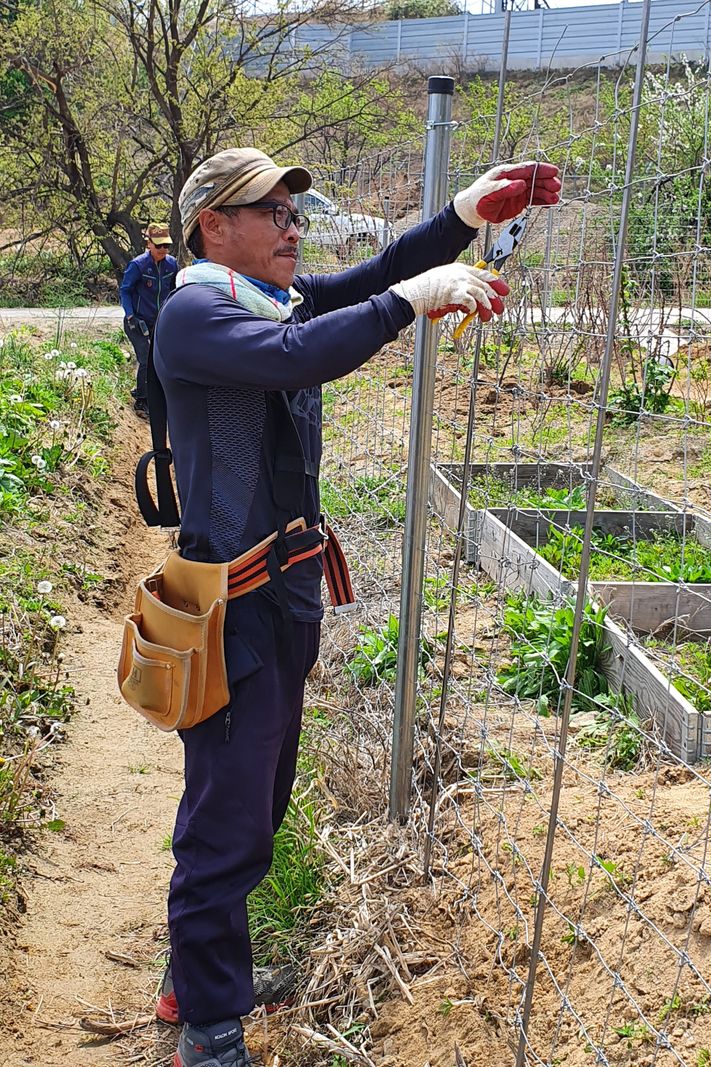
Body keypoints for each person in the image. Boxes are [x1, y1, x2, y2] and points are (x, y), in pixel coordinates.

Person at [150, 146, 560, 1067]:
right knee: (227, 822)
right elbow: (308, 350)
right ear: (214, 226)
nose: (295, 228)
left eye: (298, 215)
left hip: (283, 597)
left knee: (255, 802)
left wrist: (462, 214)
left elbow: (377, 275)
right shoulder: (195, 311)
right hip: (230, 610)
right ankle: (210, 1031)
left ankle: (195, 975)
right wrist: (413, 303)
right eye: (273, 213)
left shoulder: (266, 297)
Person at [119, 223, 178, 418]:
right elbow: (125, 290)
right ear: (149, 244)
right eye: (159, 246)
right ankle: (141, 403)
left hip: (160, 321)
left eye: (166, 246)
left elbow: (175, 289)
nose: (163, 250)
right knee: (145, 359)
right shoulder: (138, 265)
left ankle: (148, 392)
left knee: (160, 359)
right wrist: (130, 315)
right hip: (137, 321)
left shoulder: (172, 264)